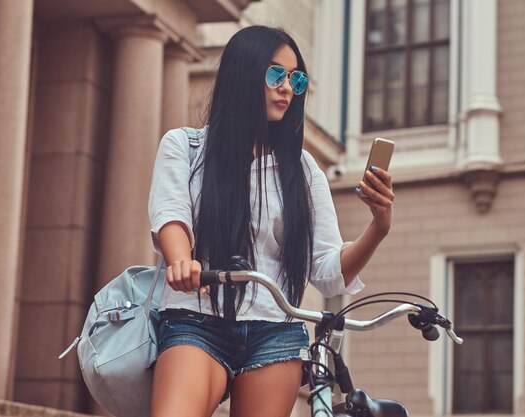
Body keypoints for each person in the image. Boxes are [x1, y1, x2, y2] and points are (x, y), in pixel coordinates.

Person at [148, 25, 394, 417]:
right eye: (275, 74)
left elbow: (328, 271)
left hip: (275, 331)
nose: (287, 88)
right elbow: (171, 217)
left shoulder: (301, 169)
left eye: (295, 78)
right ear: (243, 74)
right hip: (196, 319)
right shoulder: (185, 146)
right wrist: (182, 260)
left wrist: (378, 227)